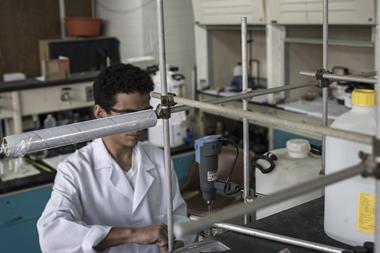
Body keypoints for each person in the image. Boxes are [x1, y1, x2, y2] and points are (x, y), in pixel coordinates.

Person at [37, 64, 193, 253]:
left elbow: (178, 217)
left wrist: (177, 242)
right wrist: (133, 234)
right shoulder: (74, 170)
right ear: (100, 113)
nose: (138, 126)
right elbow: (52, 236)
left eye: (144, 114)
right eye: (128, 116)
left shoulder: (158, 158)